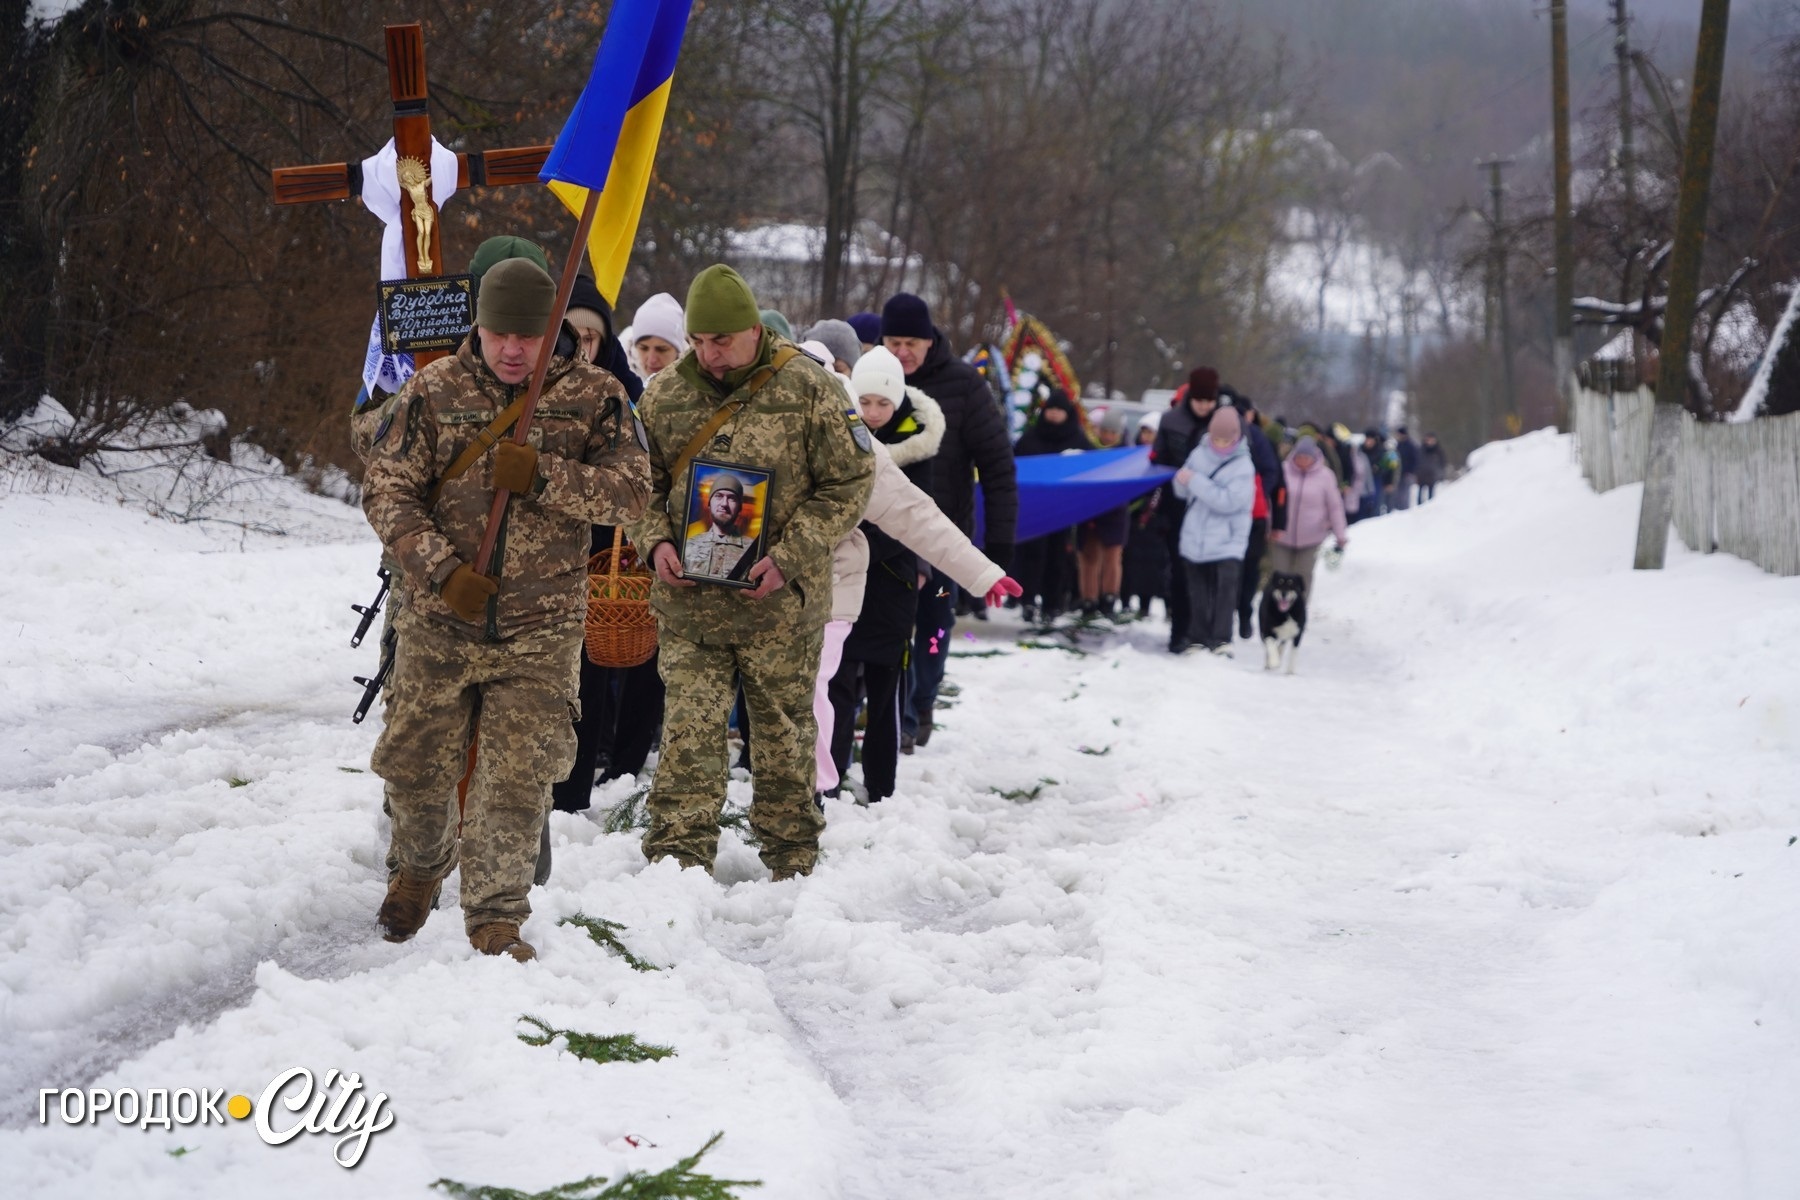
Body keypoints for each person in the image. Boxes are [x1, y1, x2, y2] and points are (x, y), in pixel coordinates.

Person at [361, 257, 651, 962]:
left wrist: (548, 477)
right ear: (479, 328)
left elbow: (633, 495)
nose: (514, 349)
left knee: (519, 774)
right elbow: (385, 491)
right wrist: (441, 571)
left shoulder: (597, 397)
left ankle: (496, 916)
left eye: (528, 335)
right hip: (440, 618)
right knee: (414, 763)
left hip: (541, 626)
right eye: (499, 334)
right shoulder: (433, 391)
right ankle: (421, 868)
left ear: (553, 331)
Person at [629, 265, 874, 879]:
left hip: (779, 608)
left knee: (785, 737)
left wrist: (790, 556)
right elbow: (638, 485)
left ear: (751, 331)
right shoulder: (665, 395)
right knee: (689, 734)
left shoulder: (810, 387)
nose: (711, 355)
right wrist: (654, 543)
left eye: (723, 341)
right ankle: (676, 864)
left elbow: (850, 480)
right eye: (700, 341)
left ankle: (792, 860)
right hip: (692, 609)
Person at [880, 292, 1017, 748]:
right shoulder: (876, 385)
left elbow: (998, 466)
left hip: (944, 540)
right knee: (891, 629)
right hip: (886, 538)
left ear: (929, 340)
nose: (902, 353)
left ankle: (923, 700)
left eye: (911, 343)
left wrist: (998, 546)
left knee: (934, 630)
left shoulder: (965, 385)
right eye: (893, 342)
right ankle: (894, 713)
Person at [1171, 406, 1255, 655]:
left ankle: (1221, 639)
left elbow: (1229, 501)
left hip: (1228, 539)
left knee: (1224, 591)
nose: (1220, 444)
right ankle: (1197, 636)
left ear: (1236, 437)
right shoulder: (1199, 453)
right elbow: (1182, 492)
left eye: (1225, 439)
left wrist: (1195, 481)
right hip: (1195, 536)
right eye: (1216, 438)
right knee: (1196, 590)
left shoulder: (1243, 466)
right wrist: (1182, 481)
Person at [1150, 368, 1221, 652]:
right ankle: (1180, 631)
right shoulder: (1171, 421)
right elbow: (1159, 461)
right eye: (1199, 400)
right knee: (1180, 572)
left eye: (1209, 401)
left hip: (1211, 509)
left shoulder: (1222, 422)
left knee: (1207, 572)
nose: (1204, 406)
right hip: (1177, 509)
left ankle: (1203, 631)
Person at [1010, 387, 1090, 622]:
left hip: (1062, 511)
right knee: (1031, 556)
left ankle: (1052, 603)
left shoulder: (1076, 438)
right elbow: (1015, 464)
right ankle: (1027, 600)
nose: (1054, 414)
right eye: (1051, 409)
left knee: (1057, 557)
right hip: (1034, 509)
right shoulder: (1031, 437)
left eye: (1059, 410)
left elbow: (1090, 464)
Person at [1268, 435, 1347, 601]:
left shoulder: (1325, 476)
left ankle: (1299, 611)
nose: (1303, 461)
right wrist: (1268, 525)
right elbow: (1272, 500)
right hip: (1282, 534)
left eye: (1307, 457)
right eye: (1299, 457)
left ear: (1315, 457)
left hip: (1312, 537)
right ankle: (1275, 615)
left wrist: (1340, 534)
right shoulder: (1282, 470)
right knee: (1280, 575)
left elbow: (1334, 506)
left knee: (1303, 575)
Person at [1234, 395, 1282, 639]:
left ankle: (1244, 613)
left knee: (1250, 566)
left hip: (1254, 513)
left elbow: (1272, 471)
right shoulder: (1219, 434)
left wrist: (1257, 492)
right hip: (1227, 512)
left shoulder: (1257, 437)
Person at [1120, 419, 1167, 618]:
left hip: (1155, 520)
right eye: (1144, 432)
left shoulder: (1163, 457)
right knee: (1129, 562)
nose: (1147, 437)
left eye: (1151, 433)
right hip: (1132, 517)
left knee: (1150, 566)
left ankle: (1145, 603)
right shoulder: (1131, 456)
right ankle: (1124, 600)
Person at [625, 292, 687, 380]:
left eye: (662, 349)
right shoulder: (614, 382)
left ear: (678, 351)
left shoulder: (697, 386)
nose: (652, 360)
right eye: (644, 348)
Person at [1393, 425, 1420, 510]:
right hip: (1399, 473)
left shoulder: (1410, 445)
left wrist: (1411, 471)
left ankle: (1404, 509)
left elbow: (1415, 460)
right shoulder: (1399, 444)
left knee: (1405, 493)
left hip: (1408, 473)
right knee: (1398, 492)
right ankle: (1398, 508)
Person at [1418, 433, 1447, 502]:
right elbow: (1417, 461)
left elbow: (1442, 463)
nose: (1430, 442)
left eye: (1432, 440)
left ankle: (1430, 506)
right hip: (1422, 475)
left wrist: (1440, 474)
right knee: (1420, 493)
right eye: (1429, 440)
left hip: (1432, 475)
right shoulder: (1421, 450)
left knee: (1431, 493)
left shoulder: (1438, 451)